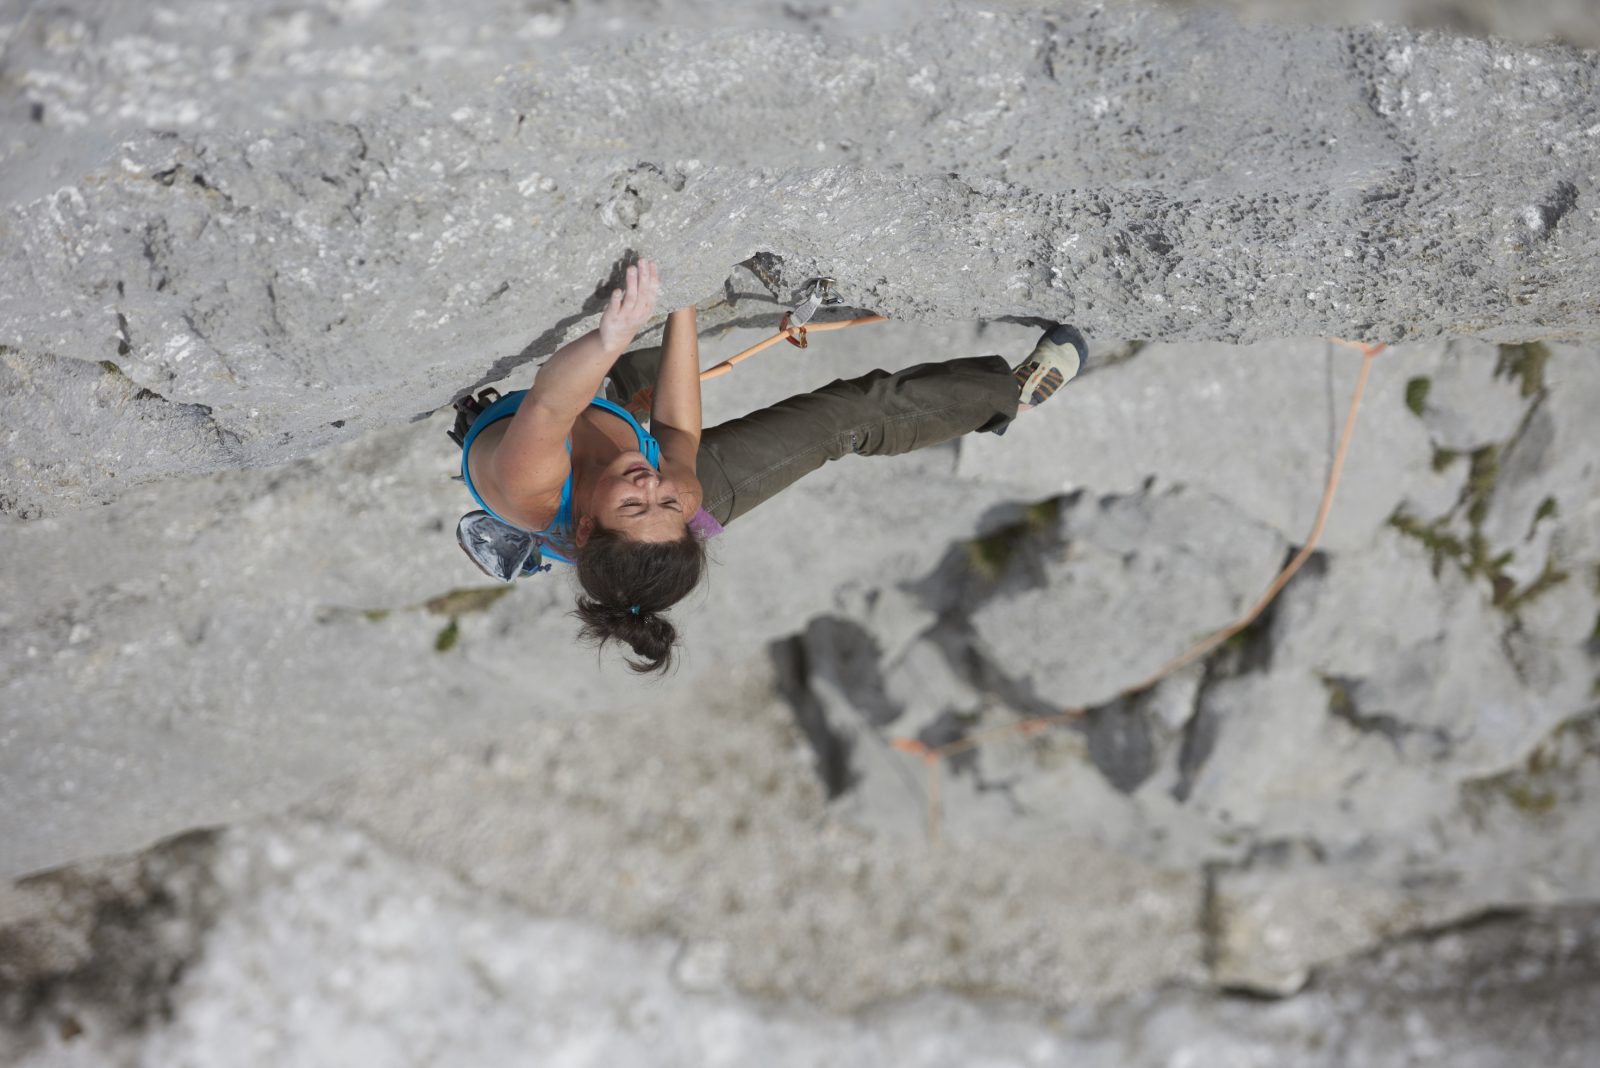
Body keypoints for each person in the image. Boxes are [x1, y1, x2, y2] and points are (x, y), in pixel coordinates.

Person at [455, 260, 1086, 675]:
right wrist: (680, 306)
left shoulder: (533, 483)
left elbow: (550, 401)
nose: (653, 487)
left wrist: (619, 333)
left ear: (589, 526)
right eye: (667, 504)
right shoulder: (678, 497)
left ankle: (634, 356)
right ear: (688, 517)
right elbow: (676, 435)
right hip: (602, 457)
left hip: (556, 436)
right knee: (840, 421)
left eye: (635, 503)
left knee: (623, 360)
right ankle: (1012, 395)